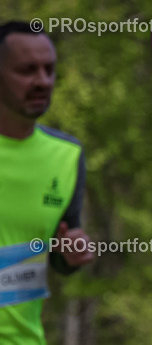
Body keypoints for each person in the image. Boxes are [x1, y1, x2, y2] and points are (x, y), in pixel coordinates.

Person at [0, 21, 95, 345]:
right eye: (27, 70)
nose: (42, 81)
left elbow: (58, 249)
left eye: (49, 70)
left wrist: (70, 256)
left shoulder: (67, 156)